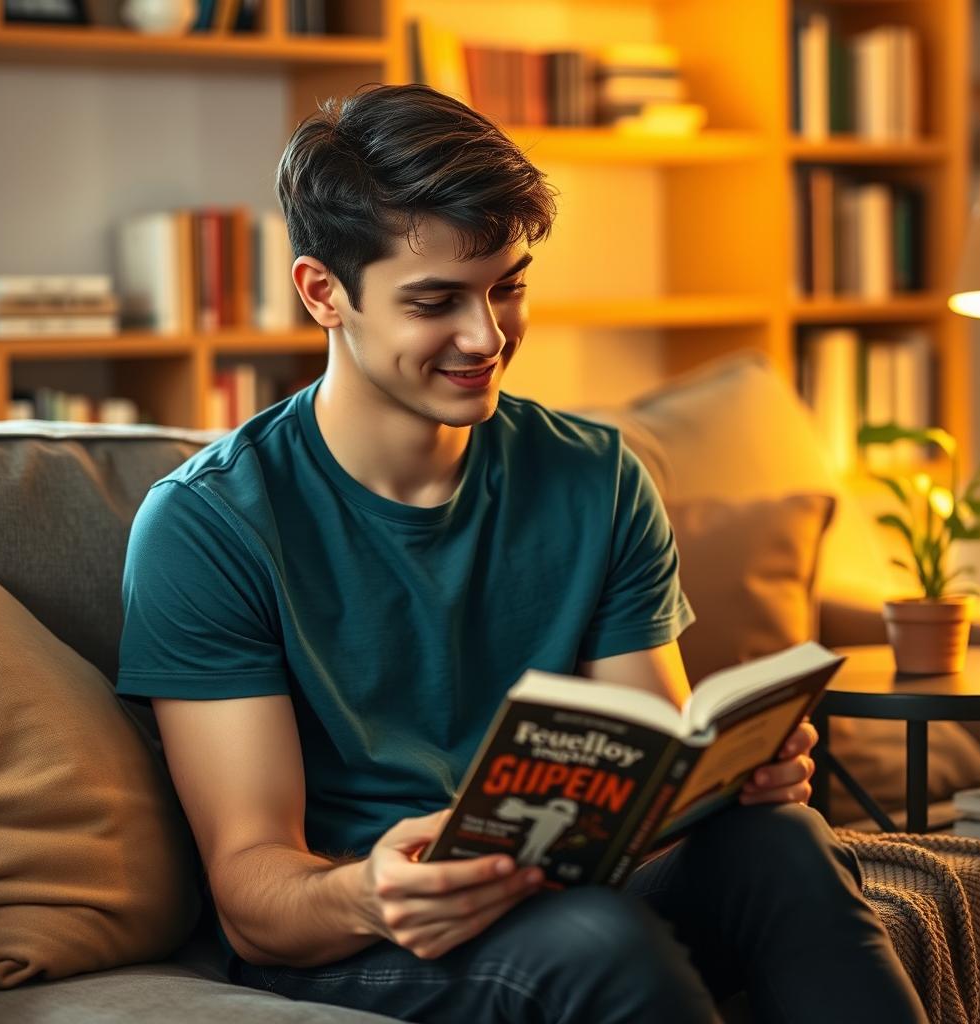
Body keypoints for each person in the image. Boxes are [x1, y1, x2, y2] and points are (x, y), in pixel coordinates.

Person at [116, 82, 927, 1023]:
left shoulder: (596, 477)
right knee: (595, 943)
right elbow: (255, 894)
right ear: (322, 292)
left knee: (785, 841)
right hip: (365, 932)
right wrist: (369, 891)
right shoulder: (208, 524)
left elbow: (644, 774)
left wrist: (726, 779)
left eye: (508, 286)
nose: (486, 336)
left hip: (562, 895)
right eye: (436, 302)